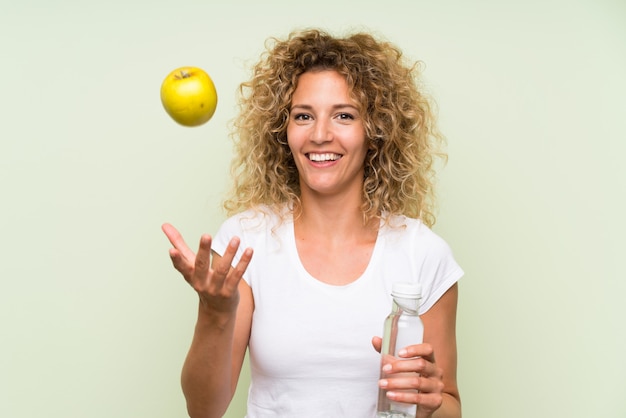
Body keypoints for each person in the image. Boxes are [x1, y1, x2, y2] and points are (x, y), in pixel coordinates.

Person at [162, 28, 463, 418]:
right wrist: (215, 312)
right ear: (283, 132)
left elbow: (449, 405)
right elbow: (204, 409)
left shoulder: (423, 253)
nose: (320, 135)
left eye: (344, 116)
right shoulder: (245, 241)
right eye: (303, 116)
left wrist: (426, 402)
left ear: (375, 131)